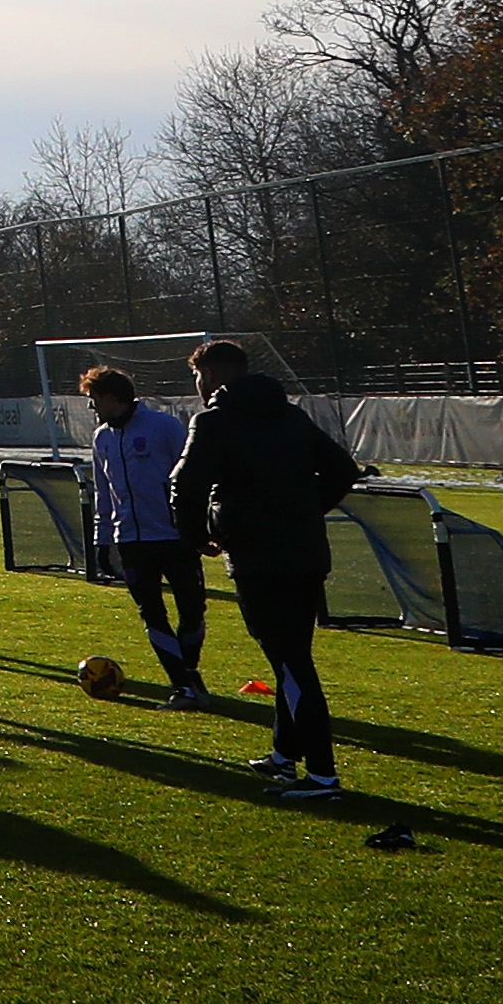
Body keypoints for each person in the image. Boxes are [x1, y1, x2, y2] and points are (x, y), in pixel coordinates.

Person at [169, 339, 363, 797]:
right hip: (307, 554)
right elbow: (343, 470)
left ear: (211, 376)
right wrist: (303, 510)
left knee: (291, 662)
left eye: (198, 378)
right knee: (290, 656)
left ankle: (321, 775)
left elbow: (185, 485)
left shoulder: (213, 421)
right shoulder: (290, 415)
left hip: (259, 558)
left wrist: (199, 537)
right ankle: (284, 755)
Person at [84, 363, 214, 706]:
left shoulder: (165, 427)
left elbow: (193, 479)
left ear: (112, 398)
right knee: (152, 614)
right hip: (131, 541)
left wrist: (197, 526)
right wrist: (103, 539)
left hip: (175, 537)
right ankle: (184, 686)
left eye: (94, 400)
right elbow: (103, 492)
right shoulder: (102, 438)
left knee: (192, 610)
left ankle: (189, 675)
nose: (92, 408)